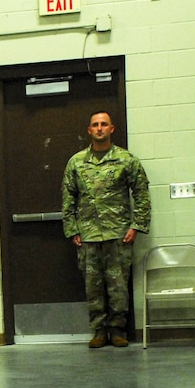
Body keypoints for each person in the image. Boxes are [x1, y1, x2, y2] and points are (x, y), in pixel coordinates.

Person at [61, 110, 151, 348]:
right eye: (95, 125)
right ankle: (99, 330)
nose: (99, 128)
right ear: (89, 130)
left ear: (112, 129)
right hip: (88, 234)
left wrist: (137, 226)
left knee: (118, 285)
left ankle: (118, 329)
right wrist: (72, 229)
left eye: (104, 124)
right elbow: (68, 197)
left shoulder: (126, 159)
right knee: (93, 287)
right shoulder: (76, 162)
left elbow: (141, 193)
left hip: (119, 234)